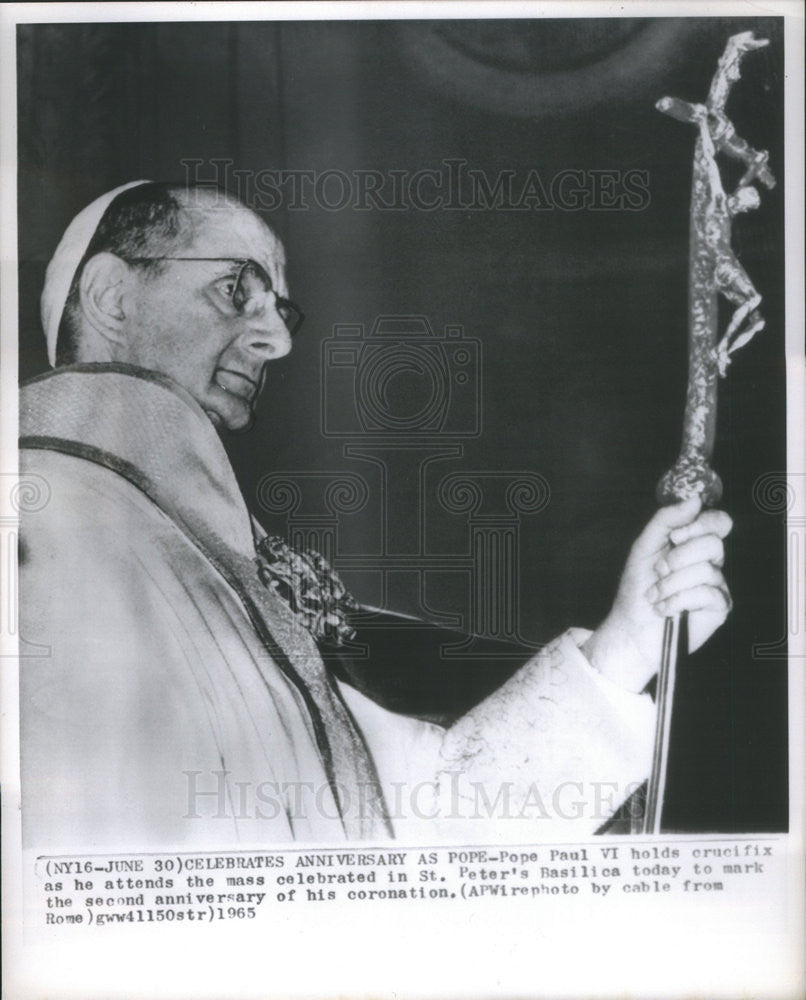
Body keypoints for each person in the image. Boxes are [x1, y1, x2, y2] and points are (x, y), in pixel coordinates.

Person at [19, 181, 733, 849]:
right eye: (235, 289)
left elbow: (430, 814)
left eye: (281, 311)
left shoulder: (229, 564)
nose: (280, 341)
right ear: (113, 298)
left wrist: (630, 641)